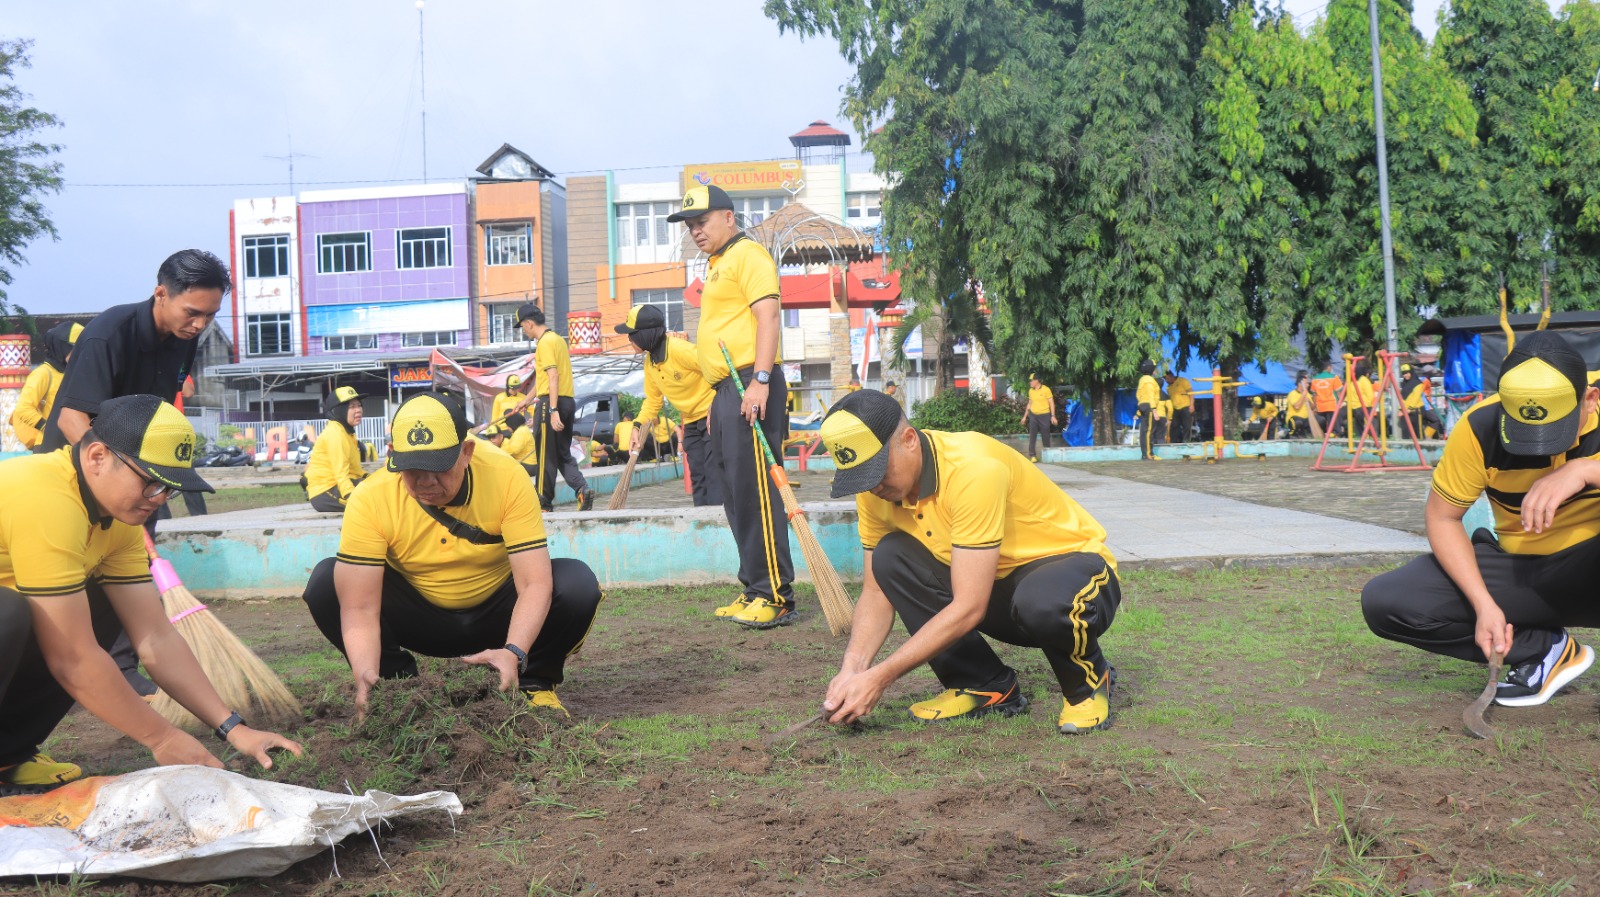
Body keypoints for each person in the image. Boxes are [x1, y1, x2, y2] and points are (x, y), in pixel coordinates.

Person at [0, 395, 301, 790]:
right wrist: (161, 738)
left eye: (169, 489)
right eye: (151, 482)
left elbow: (155, 636)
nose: (158, 499)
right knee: (8, 614)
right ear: (97, 457)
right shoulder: (47, 499)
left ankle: (7, 756)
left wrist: (233, 728)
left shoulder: (117, 519)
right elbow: (72, 658)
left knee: (101, 605)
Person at [816, 390, 1121, 734]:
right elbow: (874, 591)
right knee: (890, 556)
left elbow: (969, 606)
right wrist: (853, 668)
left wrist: (880, 677)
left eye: (876, 470)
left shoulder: (973, 469)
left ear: (909, 440)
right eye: (860, 476)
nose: (872, 487)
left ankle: (1088, 683)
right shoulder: (876, 490)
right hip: (998, 591)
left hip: (1076, 580)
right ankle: (983, 685)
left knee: (1041, 599)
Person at [300, 392, 604, 718]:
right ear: (393, 456)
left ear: (466, 452)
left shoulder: (506, 476)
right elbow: (359, 605)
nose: (426, 482)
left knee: (576, 585)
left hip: (498, 615)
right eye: (413, 470)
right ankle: (390, 686)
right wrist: (363, 675)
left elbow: (534, 583)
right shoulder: (371, 497)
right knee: (327, 583)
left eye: (439, 468)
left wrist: (514, 651)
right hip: (420, 617)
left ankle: (533, 682)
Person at [1362, 331, 1600, 710]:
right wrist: (1483, 603)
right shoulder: (1480, 426)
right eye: (1526, 434)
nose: (1541, 449)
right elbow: (1442, 517)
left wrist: (1586, 470)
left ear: (1589, 399)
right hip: (1522, 572)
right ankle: (1546, 650)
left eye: (1555, 431)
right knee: (1389, 601)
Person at [38, 249, 229, 698]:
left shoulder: (184, 338)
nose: (200, 324)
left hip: (137, 471)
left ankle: (122, 665)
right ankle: (58, 669)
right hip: (81, 470)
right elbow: (72, 418)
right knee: (75, 571)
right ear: (161, 293)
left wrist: (148, 482)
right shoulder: (108, 334)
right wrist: (115, 482)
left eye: (210, 315)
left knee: (130, 570)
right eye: (192, 312)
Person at [670, 184, 796, 627]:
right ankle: (754, 586)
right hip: (727, 389)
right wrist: (717, 399)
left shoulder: (748, 255)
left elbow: (768, 316)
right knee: (734, 491)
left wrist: (759, 380)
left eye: (701, 222)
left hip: (750, 380)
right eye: (690, 226)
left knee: (757, 489)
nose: (695, 231)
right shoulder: (717, 264)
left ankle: (776, 592)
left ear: (728, 217)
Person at [615, 304, 715, 500]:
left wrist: (717, 404)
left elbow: (717, 370)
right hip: (692, 421)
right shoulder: (650, 363)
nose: (629, 339)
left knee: (715, 475)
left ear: (645, 334)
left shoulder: (679, 350)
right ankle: (703, 517)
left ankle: (721, 517)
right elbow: (653, 401)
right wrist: (637, 426)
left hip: (713, 415)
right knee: (699, 478)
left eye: (631, 334)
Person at [513, 305, 596, 512]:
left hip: (552, 403)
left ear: (529, 323)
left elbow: (553, 376)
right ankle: (582, 489)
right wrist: (526, 400)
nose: (524, 331)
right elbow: (545, 379)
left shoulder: (544, 343)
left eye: (522, 327)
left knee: (545, 456)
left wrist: (552, 410)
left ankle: (543, 503)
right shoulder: (557, 340)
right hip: (567, 402)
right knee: (561, 454)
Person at [10, 322, 82, 451]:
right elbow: (23, 408)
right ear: (62, 347)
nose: (79, 353)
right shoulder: (43, 373)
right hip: (47, 445)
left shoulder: (70, 374)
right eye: (74, 348)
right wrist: (47, 427)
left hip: (68, 445)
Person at [304, 386, 366, 513]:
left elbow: (356, 471)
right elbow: (340, 474)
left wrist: (377, 478)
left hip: (342, 484)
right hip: (326, 491)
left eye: (359, 405)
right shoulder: (335, 434)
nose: (358, 410)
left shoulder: (347, 433)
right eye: (352, 407)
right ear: (338, 410)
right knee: (372, 503)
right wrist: (353, 498)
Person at [1400, 363, 1444, 440]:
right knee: (1433, 421)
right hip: (1420, 408)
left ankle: (1426, 437)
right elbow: (1409, 397)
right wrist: (1402, 409)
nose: (1405, 375)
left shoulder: (1417, 382)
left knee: (1420, 429)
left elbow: (1416, 396)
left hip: (1418, 408)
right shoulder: (1422, 382)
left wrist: (1407, 409)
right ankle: (1426, 437)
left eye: (1407, 373)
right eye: (1403, 373)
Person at [1020, 374, 1056, 462]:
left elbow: (1051, 403)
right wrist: (1024, 417)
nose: (1030, 382)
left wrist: (1053, 416)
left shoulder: (1046, 389)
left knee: (1045, 436)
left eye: (1031, 380)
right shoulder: (1031, 391)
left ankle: (1047, 454)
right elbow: (1029, 404)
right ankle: (1032, 456)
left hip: (1044, 415)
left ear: (1037, 381)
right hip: (1033, 415)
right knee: (1032, 435)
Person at [1135, 360, 1160, 460]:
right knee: (1149, 431)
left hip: (1142, 405)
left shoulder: (1142, 379)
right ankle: (1149, 454)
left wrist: (1139, 411)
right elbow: (1150, 395)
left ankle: (1145, 454)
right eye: (1154, 368)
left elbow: (1139, 395)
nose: (1156, 370)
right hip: (1149, 406)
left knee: (1144, 431)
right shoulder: (1149, 380)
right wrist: (1154, 410)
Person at [1310, 362, 1343, 435]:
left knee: (1324, 423)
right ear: (1329, 367)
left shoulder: (1315, 379)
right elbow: (1339, 392)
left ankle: (1325, 435)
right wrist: (1340, 402)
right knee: (1333, 425)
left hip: (1320, 406)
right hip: (1331, 405)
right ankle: (1335, 434)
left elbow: (1314, 395)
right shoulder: (1334, 377)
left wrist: (1315, 406)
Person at [1164, 370, 1193, 443]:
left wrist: (1191, 405)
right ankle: (1174, 441)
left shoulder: (1183, 381)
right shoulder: (1168, 388)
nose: (1166, 381)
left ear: (1170, 376)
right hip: (1175, 408)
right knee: (1174, 426)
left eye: (1166, 378)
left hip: (1185, 406)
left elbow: (1191, 393)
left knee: (1187, 426)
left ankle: (1186, 441)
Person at [1283, 371, 1311, 438]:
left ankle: (1308, 434)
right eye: (1306, 383)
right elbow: (1297, 406)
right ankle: (1293, 434)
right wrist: (1303, 396)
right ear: (1300, 384)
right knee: (1298, 422)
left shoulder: (1307, 394)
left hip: (1306, 419)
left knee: (1321, 420)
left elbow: (1313, 407)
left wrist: (1308, 400)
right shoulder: (1292, 394)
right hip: (1294, 420)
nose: (1308, 385)